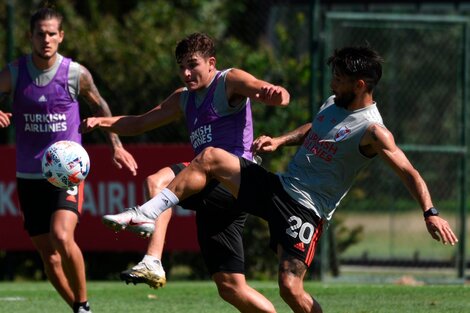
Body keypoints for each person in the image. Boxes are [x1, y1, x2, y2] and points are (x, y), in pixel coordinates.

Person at [111, 46, 459, 313]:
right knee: (210, 158)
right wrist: (279, 140)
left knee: (290, 289)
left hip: (306, 211)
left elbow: (410, 172)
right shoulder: (334, 102)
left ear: (360, 84)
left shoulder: (374, 131)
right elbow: (317, 127)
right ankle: (148, 213)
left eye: (338, 78)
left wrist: (430, 212)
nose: (333, 83)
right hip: (278, 187)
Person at [80, 32, 289, 312]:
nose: (186, 73)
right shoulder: (183, 99)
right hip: (210, 190)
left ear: (211, 62)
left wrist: (276, 93)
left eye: (193, 65)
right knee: (230, 287)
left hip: (236, 182)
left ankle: (153, 258)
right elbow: (140, 123)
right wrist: (101, 122)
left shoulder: (229, 80)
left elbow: (262, 88)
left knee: (160, 179)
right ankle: (153, 258)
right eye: (181, 67)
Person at [0, 7, 138, 313]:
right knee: (48, 256)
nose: (46, 39)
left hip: (66, 173)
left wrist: (115, 144)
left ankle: (84, 303)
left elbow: (100, 105)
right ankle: (79, 309)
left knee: (62, 236)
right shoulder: (15, 73)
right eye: (40, 34)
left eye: (52, 34)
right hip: (28, 175)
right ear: (30, 36)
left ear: (61, 36)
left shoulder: (75, 73)